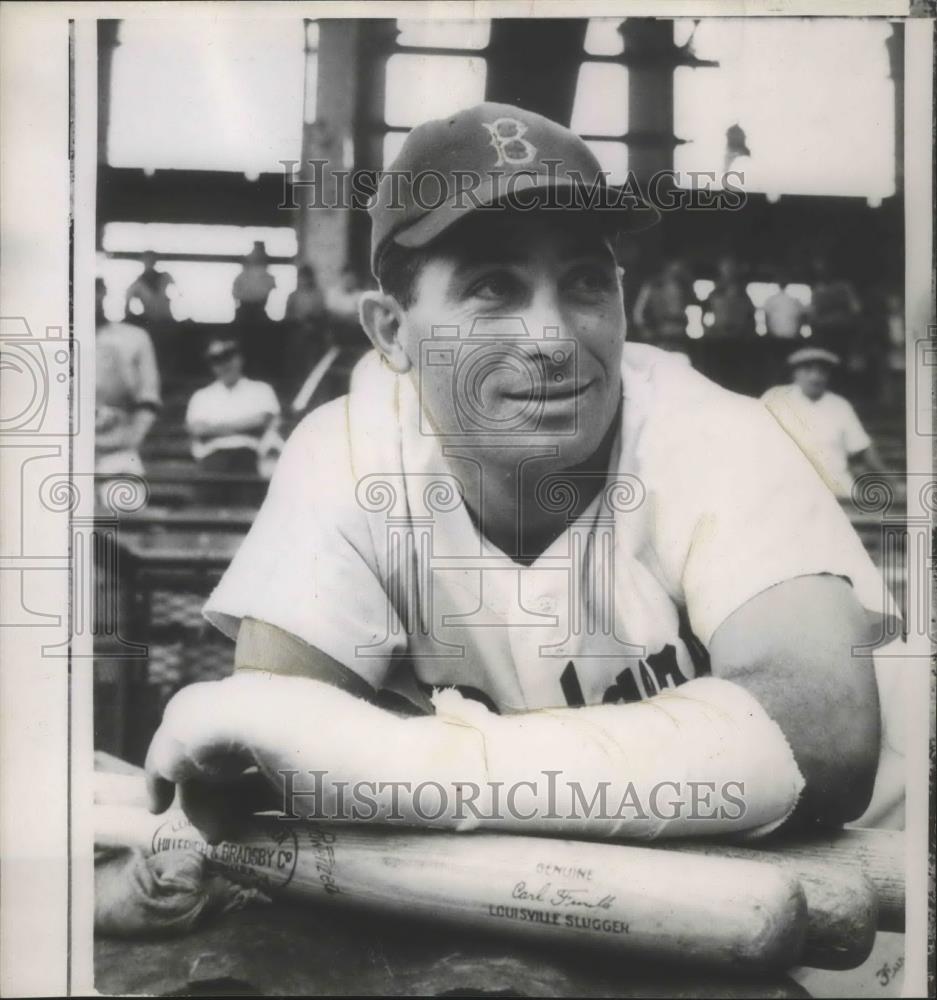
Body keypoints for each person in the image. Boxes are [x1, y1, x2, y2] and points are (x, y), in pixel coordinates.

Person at [145, 103, 898, 848]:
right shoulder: (347, 452)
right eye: (492, 288)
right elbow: (264, 774)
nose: (552, 337)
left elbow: (821, 742)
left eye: (584, 283)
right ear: (390, 332)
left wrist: (398, 761)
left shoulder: (714, 430)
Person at [761, 347, 886, 499]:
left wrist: (893, 481)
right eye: (808, 370)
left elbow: (863, 447)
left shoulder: (840, 405)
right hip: (791, 491)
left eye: (822, 371)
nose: (815, 377)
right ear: (795, 373)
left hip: (837, 492)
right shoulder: (776, 398)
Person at [185, 338, 283, 501]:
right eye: (216, 360)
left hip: (249, 456)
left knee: (249, 502)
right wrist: (244, 426)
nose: (224, 365)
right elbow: (198, 430)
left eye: (228, 357)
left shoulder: (260, 389)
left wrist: (216, 429)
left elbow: (262, 421)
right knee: (205, 506)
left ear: (239, 358)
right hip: (212, 457)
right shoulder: (201, 396)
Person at [95, 276, 161, 479]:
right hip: (63, 451)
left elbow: (148, 399)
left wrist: (133, 439)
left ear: (102, 292)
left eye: (94, 289)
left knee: (125, 503)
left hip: (116, 447)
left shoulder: (134, 337)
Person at [700, 256, 756, 393]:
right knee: (717, 375)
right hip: (718, 338)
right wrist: (708, 329)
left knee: (736, 377)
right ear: (721, 270)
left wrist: (747, 333)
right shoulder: (715, 291)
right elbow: (703, 312)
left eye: (731, 268)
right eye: (725, 268)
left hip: (738, 339)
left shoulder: (743, 293)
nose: (728, 271)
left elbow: (751, 316)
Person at [631, 259, 695, 358]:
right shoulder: (654, 285)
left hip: (680, 333)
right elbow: (638, 312)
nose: (678, 268)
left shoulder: (683, 285)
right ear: (668, 265)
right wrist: (644, 329)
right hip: (661, 333)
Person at [232, 241, 277, 379]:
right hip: (243, 315)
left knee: (262, 346)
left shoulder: (269, 277)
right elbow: (236, 294)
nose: (256, 256)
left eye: (259, 253)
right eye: (254, 252)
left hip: (260, 315)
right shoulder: (241, 276)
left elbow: (264, 294)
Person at [284, 262, 327, 395]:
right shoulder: (292, 296)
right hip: (296, 333)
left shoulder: (318, 294)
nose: (303, 280)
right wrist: (298, 320)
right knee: (296, 361)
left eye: (306, 277)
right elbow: (287, 316)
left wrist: (311, 321)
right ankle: (296, 387)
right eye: (301, 277)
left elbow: (321, 314)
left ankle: (313, 390)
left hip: (314, 334)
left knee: (313, 362)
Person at [324, 266, 366, 347]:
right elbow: (331, 315)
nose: (349, 281)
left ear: (355, 279)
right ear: (341, 278)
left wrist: (342, 315)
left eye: (351, 279)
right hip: (337, 331)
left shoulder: (361, 294)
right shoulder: (333, 293)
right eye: (347, 279)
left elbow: (362, 317)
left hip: (356, 332)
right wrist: (351, 316)